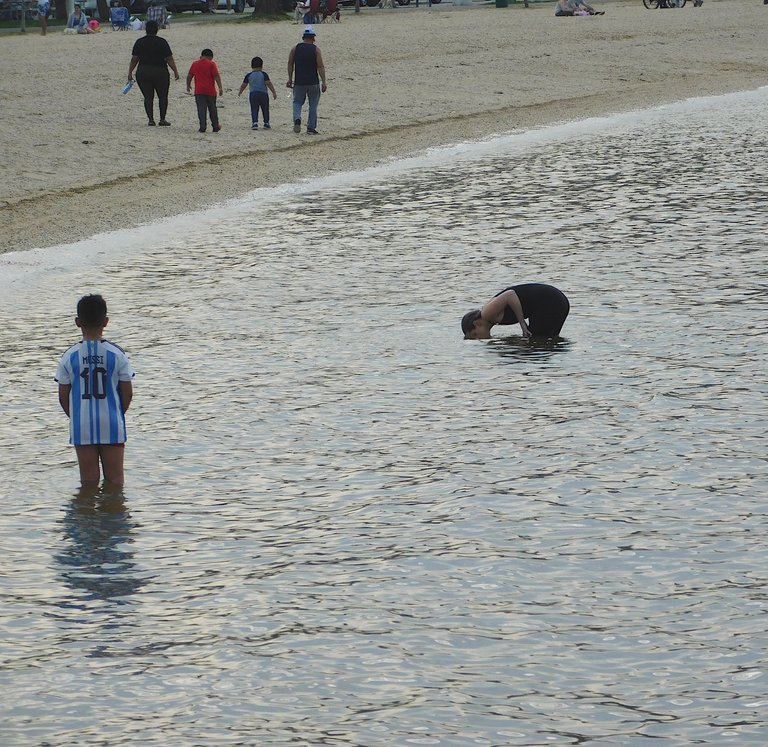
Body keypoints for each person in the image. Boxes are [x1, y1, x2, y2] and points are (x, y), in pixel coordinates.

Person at [55, 294, 135, 487]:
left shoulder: (69, 356)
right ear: (106, 322)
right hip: (112, 422)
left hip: (81, 423)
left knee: (88, 482)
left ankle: (85, 516)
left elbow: (63, 396)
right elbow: (128, 393)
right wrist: (117, 412)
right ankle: (113, 515)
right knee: (115, 481)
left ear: (77, 322)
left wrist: (75, 416)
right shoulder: (117, 355)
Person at [461, 284, 570, 339]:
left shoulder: (487, 313)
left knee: (536, 342)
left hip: (550, 301)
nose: (478, 338)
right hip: (557, 301)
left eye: (475, 334)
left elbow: (510, 294)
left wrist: (522, 323)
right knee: (547, 341)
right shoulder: (490, 317)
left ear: (476, 323)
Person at [127, 19, 180, 127]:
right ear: (157, 30)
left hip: (143, 71)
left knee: (148, 97)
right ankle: (162, 119)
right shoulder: (162, 42)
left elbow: (134, 59)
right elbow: (169, 58)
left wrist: (130, 72)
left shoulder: (139, 42)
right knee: (163, 96)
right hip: (160, 71)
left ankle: (151, 120)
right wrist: (175, 71)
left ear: (146, 30)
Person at [287, 26, 327, 135]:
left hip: (299, 81)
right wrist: (323, 81)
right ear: (313, 38)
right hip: (313, 81)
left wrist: (290, 78)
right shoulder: (316, 50)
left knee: (297, 102)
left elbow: (290, 63)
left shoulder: (295, 48)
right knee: (313, 104)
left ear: (303, 37)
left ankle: (297, 118)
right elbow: (320, 66)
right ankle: (311, 128)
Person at [187, 48, 224, 133]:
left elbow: (189, 75)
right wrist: (220, 87)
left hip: (199, 91)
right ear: (210, 57)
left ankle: (202, 126)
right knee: (213, 109)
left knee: (201, 109)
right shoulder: (211, 64)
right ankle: (215, 126)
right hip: (210, 91)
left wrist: (188, 85)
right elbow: (216, 76)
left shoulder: (195, 64)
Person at [238, 56, 277, 130]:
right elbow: (268, 83)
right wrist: (273, 92)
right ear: (262, 66)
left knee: (254, 108)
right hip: (263, 94)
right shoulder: (264, 74)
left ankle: (255, 123)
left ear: (251, 66)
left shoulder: (249, 75)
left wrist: (240, 92)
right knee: (265, 108)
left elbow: (244, 85)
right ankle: (266, 123)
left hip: (253, 94)